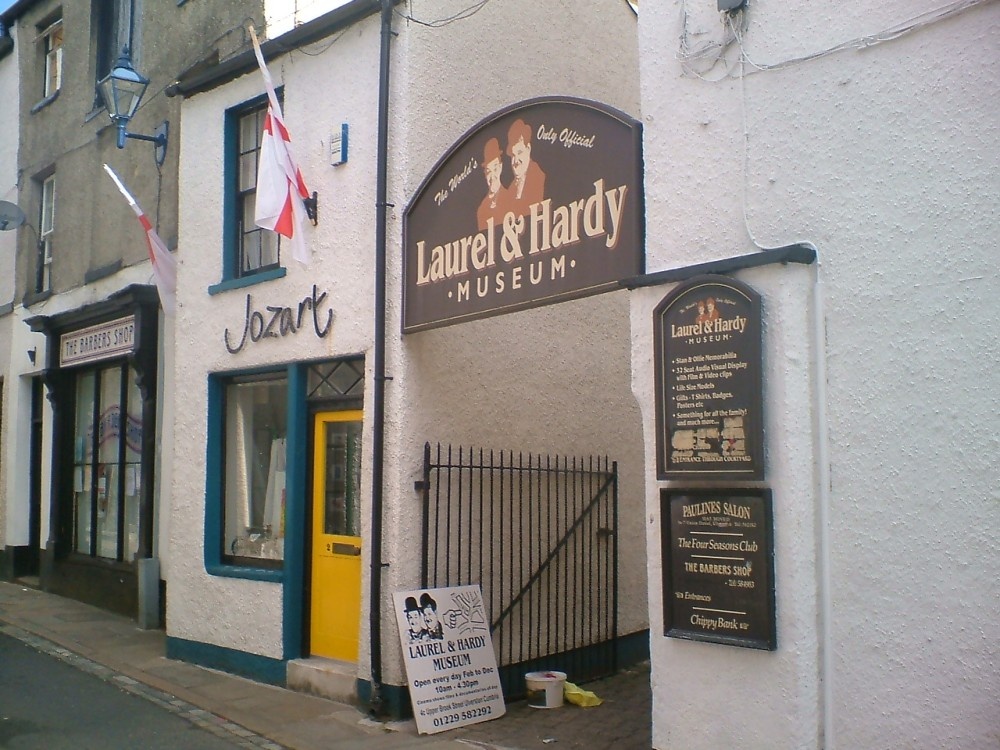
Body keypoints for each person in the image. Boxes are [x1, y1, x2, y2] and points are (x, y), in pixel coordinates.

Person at [506, 118, 545, 218]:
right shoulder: (511, 188)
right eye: (513, 155)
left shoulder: (538, 177)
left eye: (519, 153)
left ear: (528, 149)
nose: (516, 161)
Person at [477, 137, 511, 231]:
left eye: (495, 169)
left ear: (500, 167)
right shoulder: (482, 209)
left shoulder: (509, 198)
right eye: (488, 171)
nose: (492, 177)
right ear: (485, 173)